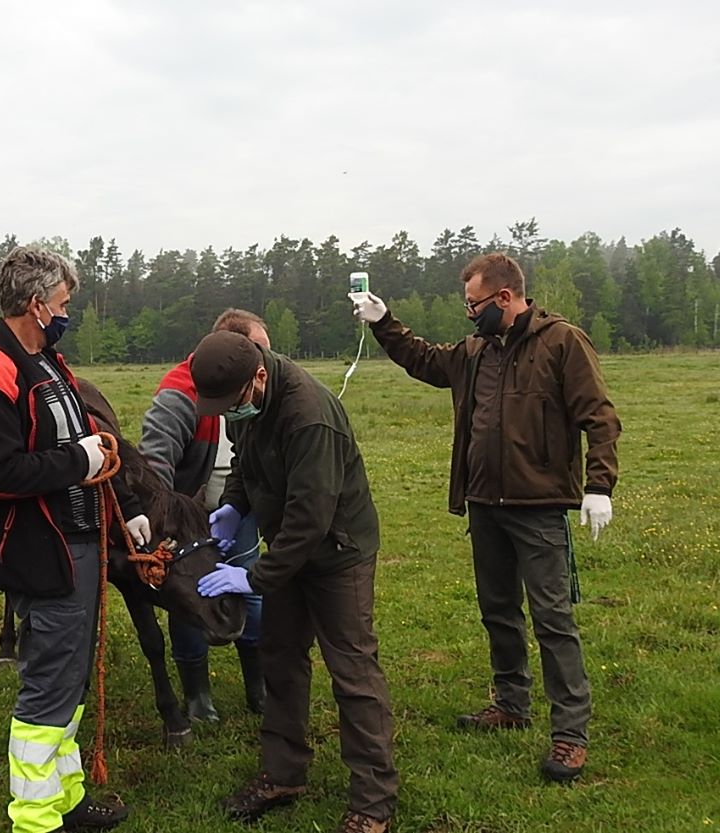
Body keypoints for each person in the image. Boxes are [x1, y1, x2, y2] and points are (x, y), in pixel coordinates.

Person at [353, 252, 621, 783]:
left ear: (505, 297)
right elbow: (426, 360)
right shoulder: (477, 351)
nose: (469, 315)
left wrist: (598, 487)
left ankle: (569, 734)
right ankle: (511, 704)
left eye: (474, 304)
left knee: (553, 621)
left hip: (539, 508)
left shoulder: (563, 342)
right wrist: (383, 322)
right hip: (485, 503)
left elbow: (601, 417)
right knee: (498, 610)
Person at [0, 246, 149, 833]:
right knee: (47, 687)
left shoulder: (49, 364)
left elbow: (89, 443)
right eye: (63, 303)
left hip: (81, 543)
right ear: (37, 305)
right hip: (42, 552)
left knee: (70, 675)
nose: (68, 313)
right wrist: (73, 462)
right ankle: (36, 819)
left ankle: (66, 797)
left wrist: (124, 509)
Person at [191, 330, 398, 833]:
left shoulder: (309, 416)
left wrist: (254, 576)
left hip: (337, 553)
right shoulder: (244, 402)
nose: (226, 414)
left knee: (353, 673)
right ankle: (284, 774)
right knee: (280, 659)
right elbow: (245, 462)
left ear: (259, 376)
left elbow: (312, 519)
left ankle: (372, 803)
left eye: (231, 403)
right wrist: (233, 506)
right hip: (288, 545)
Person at [138, 309, 269, 721]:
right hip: (192, 518)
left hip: (240, 507)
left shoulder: (261, 389)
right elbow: (154, 463)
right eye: (261, 350)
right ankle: (198, 695)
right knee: (193, 598)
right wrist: (172, 519)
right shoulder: (178, 393)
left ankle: (259, 684)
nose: (269, 361)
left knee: (252, 590)